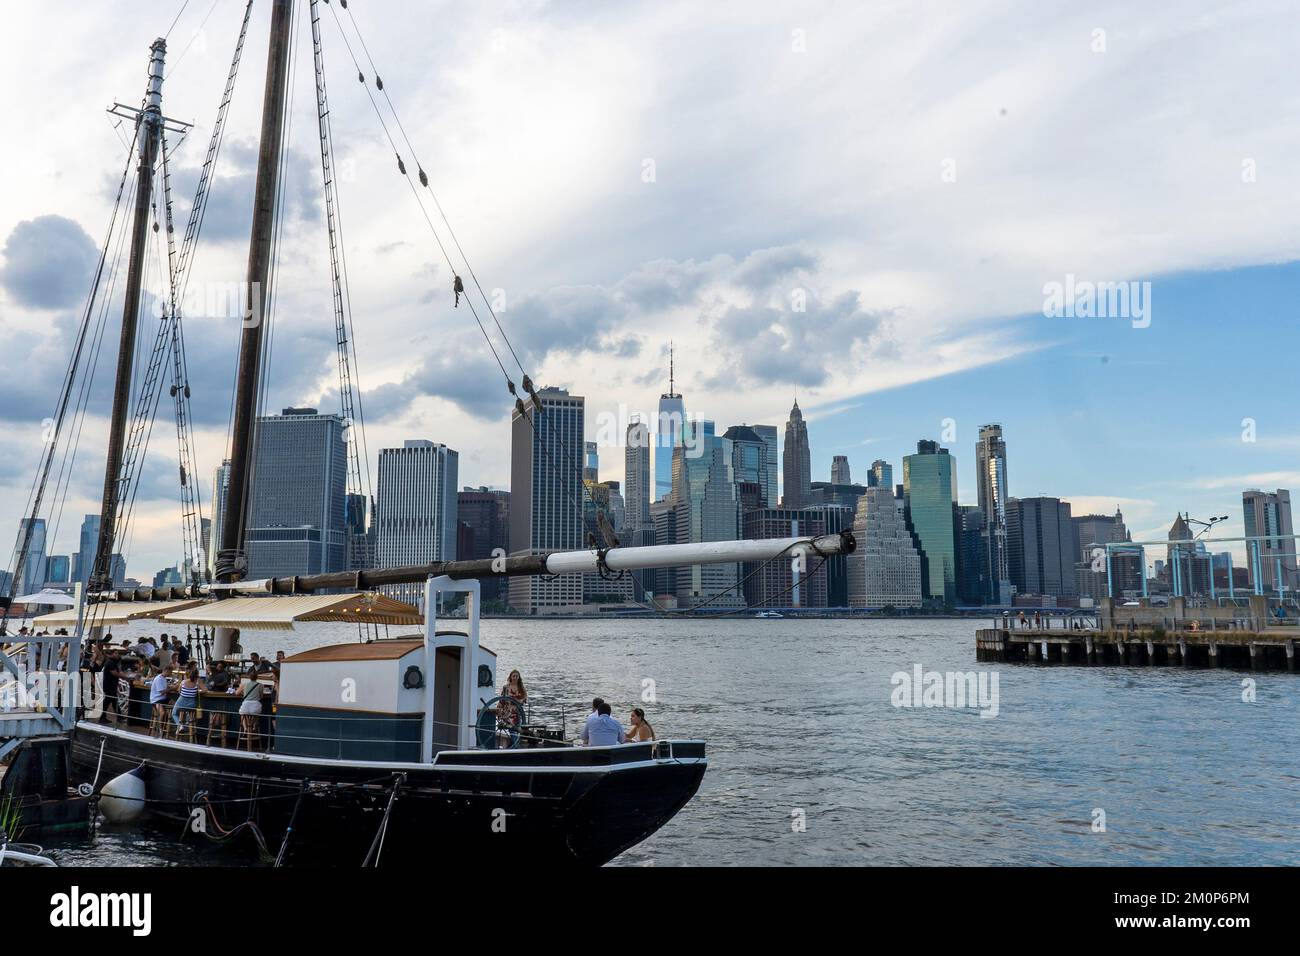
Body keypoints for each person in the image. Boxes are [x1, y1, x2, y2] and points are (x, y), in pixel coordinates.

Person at [238, 669, 264, 750]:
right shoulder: (260, 685)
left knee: (243, 714)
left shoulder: (244, 684)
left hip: (246, 705)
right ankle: (253, 727)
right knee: (255, 714)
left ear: (249, 677)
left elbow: (237, 693)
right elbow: (261, 697)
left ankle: (245, 729)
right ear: (257, 677)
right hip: (255, 705)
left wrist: (244, 693)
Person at [172, 666, 200, 735]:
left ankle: (180, 726)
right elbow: (204, 690)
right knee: (189, 712)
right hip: (192, 704)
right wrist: (198, 692)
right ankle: (188, 725)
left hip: (181, 702)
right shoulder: (197, 684)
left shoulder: (183, 682)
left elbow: (179, 691)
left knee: (174, 713)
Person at [149, 664, 174, 737]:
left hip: (163, 698)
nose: (171, 674)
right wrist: (172, 688)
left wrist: (170, 687)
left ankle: (173, 724)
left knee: (176, 705)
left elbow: (164, 688)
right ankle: (160, 729)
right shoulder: (159, 679)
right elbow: (162, 691)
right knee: (162, 713)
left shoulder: (163, 678)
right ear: (166, 671)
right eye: (170, 672)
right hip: (156, 699)